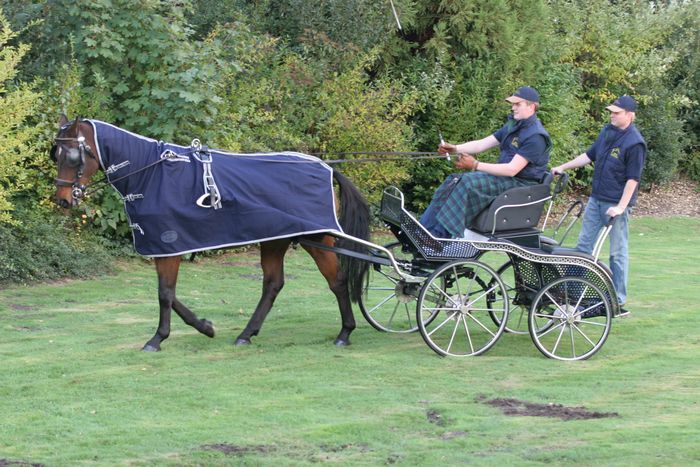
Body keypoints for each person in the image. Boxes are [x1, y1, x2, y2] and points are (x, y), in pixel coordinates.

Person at [552, 95, 646, 315]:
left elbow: (633, 179)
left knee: (617, 252)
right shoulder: (607, 132)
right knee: (583, 247)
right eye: (611, 111)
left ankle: (618, 301)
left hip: (616, 205)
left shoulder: (635, 142)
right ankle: (572, 295)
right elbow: (588, 155)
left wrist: (621, 207)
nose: (612, 115)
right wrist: (563, 167)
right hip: (596, 199)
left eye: (616, 112)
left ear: (629, 115)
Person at [420, 86, 552, 238]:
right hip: (506, 180)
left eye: (518, 104)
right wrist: (455, 148)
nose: (513, 107)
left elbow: (512, 170)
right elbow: (481, 144)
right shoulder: (514, 126)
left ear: (532, 106)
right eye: (512, 104)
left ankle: (439, 237)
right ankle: (424, 230)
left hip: (520, 185)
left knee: (467, 182)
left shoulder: (536, 136)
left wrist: (475, 165)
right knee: (454, 179)